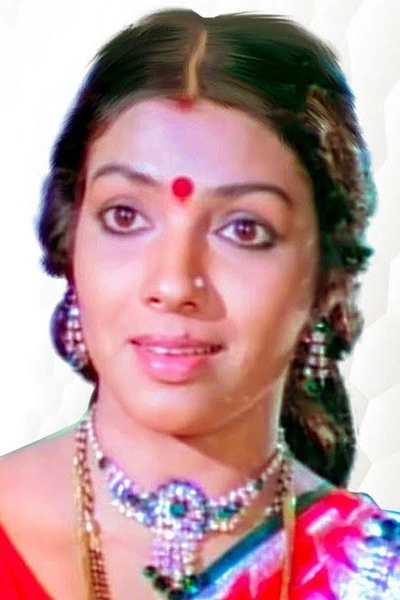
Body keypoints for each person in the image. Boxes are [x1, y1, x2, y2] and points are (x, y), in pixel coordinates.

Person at [0, 8, 399, 600]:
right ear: (69, 241)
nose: (174, 283)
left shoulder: (374, 578)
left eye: (244, 229)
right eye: (125, 216)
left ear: (326, 279)